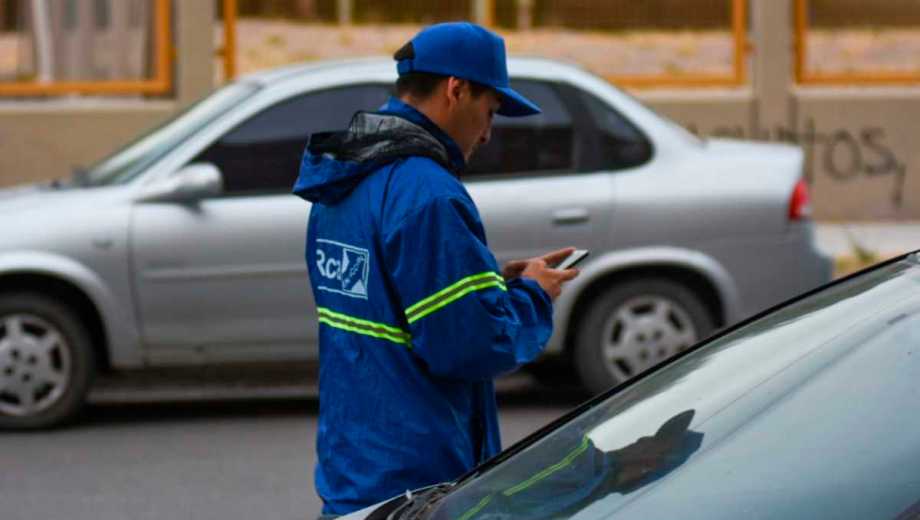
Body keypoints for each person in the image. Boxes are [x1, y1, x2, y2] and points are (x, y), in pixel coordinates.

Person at [293, 21, 579, 517]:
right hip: (417, 482)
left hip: (354, 474)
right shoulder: (427, 191)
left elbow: (391, 303)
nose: (489, 133)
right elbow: (468, 345)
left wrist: (494, 284)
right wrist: (533, 296)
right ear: (456, 90)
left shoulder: (341, 178)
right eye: (489, 111)